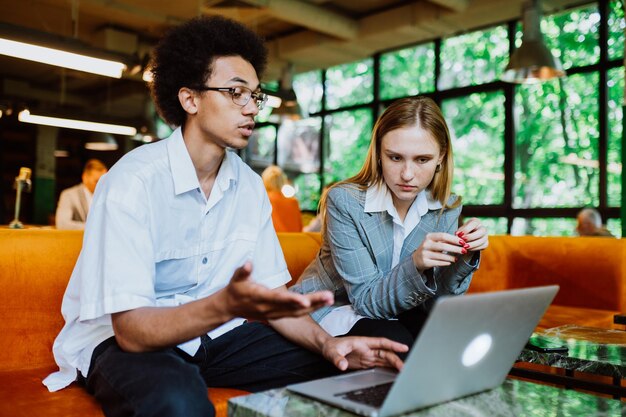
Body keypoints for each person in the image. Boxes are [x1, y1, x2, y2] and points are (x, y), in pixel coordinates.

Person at [43, 15, 407, 417]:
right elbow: (131, 332)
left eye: (256, 95)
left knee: (369, 357)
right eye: (236, 93)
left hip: (216, 335)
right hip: (122, 340)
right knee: (177, 402)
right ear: (190, 99)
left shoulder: (249, 187)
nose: (252, 108)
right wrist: (224, 305)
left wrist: (328, 344)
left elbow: (271, 299)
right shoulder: (132, 182)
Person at [291, 97, 489, 347]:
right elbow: (365, 301)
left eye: (422, 160)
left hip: (397, 313)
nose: (407, 174)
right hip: (331, 312)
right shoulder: (345, 201)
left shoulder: (446, 208)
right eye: (395, 158)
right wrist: (416, 264)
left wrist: (466, 257)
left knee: (459, 338)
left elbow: (440, 302)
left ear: (441, 157)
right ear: (378, 154)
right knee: (399, 344)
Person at [55, 159, 107, 230]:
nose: (101, 185)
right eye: (96, 181)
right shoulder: (69, 195)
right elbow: (62, 224)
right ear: (85, 177)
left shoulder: (108, 196)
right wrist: (94, 228)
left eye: (104, 182)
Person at [262, 165, 303, 232]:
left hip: (273, 241)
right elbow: (300, 229)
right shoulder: (294, 202)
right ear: (283, 181)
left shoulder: (264, 201)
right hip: (294, 241)